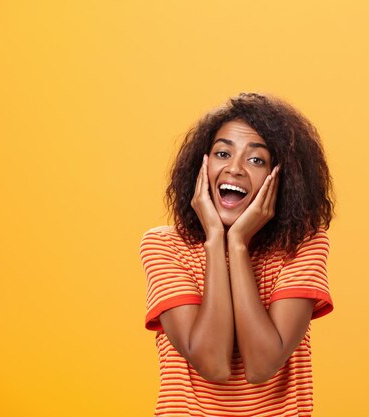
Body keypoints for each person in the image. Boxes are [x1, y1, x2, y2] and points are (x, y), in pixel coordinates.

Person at [139, 92, 334, 416]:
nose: (235, 169)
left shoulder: (303, 246)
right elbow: (213, 364)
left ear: (283, 177)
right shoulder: (164, 246)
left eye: (256, 159)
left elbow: (262, 365)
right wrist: (216, 239)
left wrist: (239, 243)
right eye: (222, 153)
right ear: (200, 165)